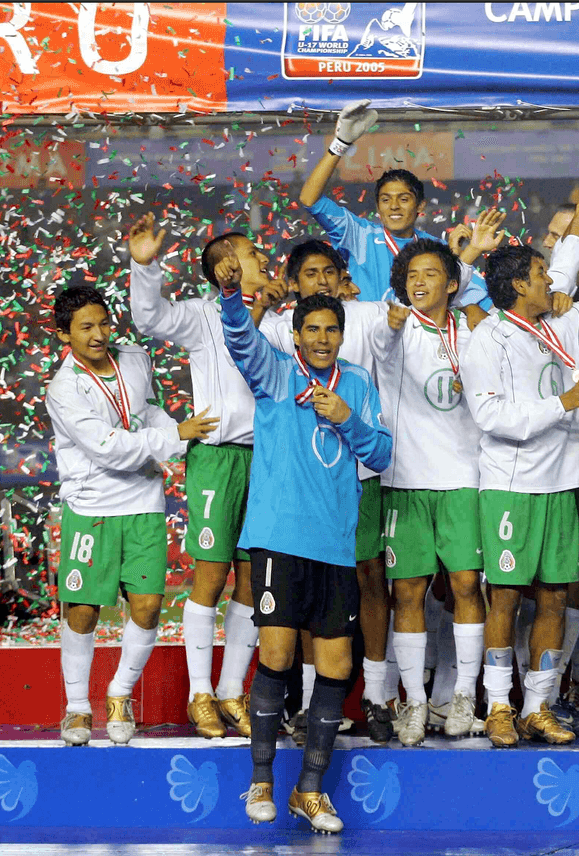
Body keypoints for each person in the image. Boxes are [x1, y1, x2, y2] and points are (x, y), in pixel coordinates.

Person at [217, 252, 391, 833]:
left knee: (337, 663)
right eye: (311, 330)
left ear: (342, 336)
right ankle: (262, 778)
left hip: (335, 545)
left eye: (331, 329)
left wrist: (347, 417)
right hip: (278, 540)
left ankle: (309, 789)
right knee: (276, 655)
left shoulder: (358, 385)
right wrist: (231, 300)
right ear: (295, 336)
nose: (322, 339)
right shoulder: (276, 373)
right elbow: (241, 342)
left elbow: (382, 454)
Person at [49, 285, 219, 746]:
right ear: (64, 334)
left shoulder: (135, 359)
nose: (100, 334)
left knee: (146, 606)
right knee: (83, 609)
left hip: (144, 502)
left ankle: (120, 694)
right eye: (86, 327)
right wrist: (175, 436)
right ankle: (77, 707)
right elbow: (108, 448)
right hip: (92, 508)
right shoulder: (64, 388)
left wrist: (185, 434)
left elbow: (144, 413)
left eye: (104, 323)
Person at [460, 234, 579, 748]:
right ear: (520, 285)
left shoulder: (549, 328)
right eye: (541, 276)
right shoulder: (487, 339)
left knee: (555, 597)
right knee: (505, 598)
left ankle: (537, 706)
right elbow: (490, 416)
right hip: (512, 485)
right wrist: (561, 404)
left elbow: (564, 273)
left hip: (562, 481)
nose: (551, 283)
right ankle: (498, 706)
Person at [128, 216, 266, 740]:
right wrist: (144, 265)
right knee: (210, 576)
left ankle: (232, 691)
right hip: (216, 457)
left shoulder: (276, 318)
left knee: (253, 579)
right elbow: (148, 316)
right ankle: (199, 694)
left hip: (266, 459)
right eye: (251, 254)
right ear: (226, 265)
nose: (260, 260)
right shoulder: (201, 317)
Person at [370, 229, 502, 744]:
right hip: (405, 481)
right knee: (407, 591)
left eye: (430, 274)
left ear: (453, 284)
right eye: (410, 276)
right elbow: (382, 342)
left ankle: (465, 697)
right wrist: (392, 323)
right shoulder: (394, 329)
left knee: (469, 586)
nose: (418, 282)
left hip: (464, 480)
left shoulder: (474, 333)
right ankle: (417, 704)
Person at [299, 100, 487, 308]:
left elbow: (474, 295)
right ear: (378, 207)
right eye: (386, 200)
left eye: (404, 199)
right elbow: (310, 199)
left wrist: (468, 301)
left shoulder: (436, 249)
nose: (394, 206)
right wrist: (340, 143)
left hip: (418, 338)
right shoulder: (358, 235)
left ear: (420, 206)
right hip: (368, 338)